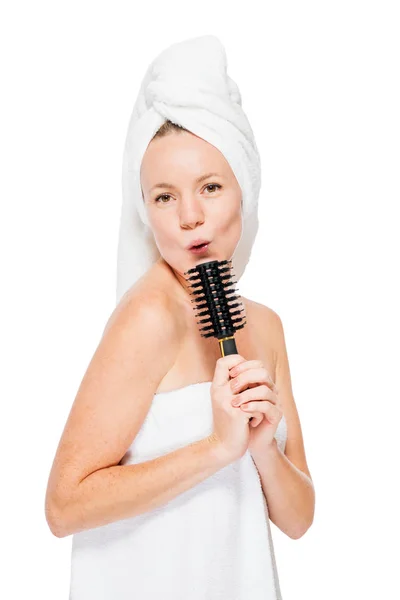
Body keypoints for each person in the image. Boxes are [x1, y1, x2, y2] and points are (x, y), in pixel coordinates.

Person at [45, 36, 314, 600]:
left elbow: (296, 520)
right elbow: (64, 505)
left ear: (246, 188)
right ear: (145, 211)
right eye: (164, 197)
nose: (190, 218)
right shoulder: (148, 317)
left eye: (210, 188)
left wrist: (261, 446)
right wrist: (217, 448)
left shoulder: (264, 326)